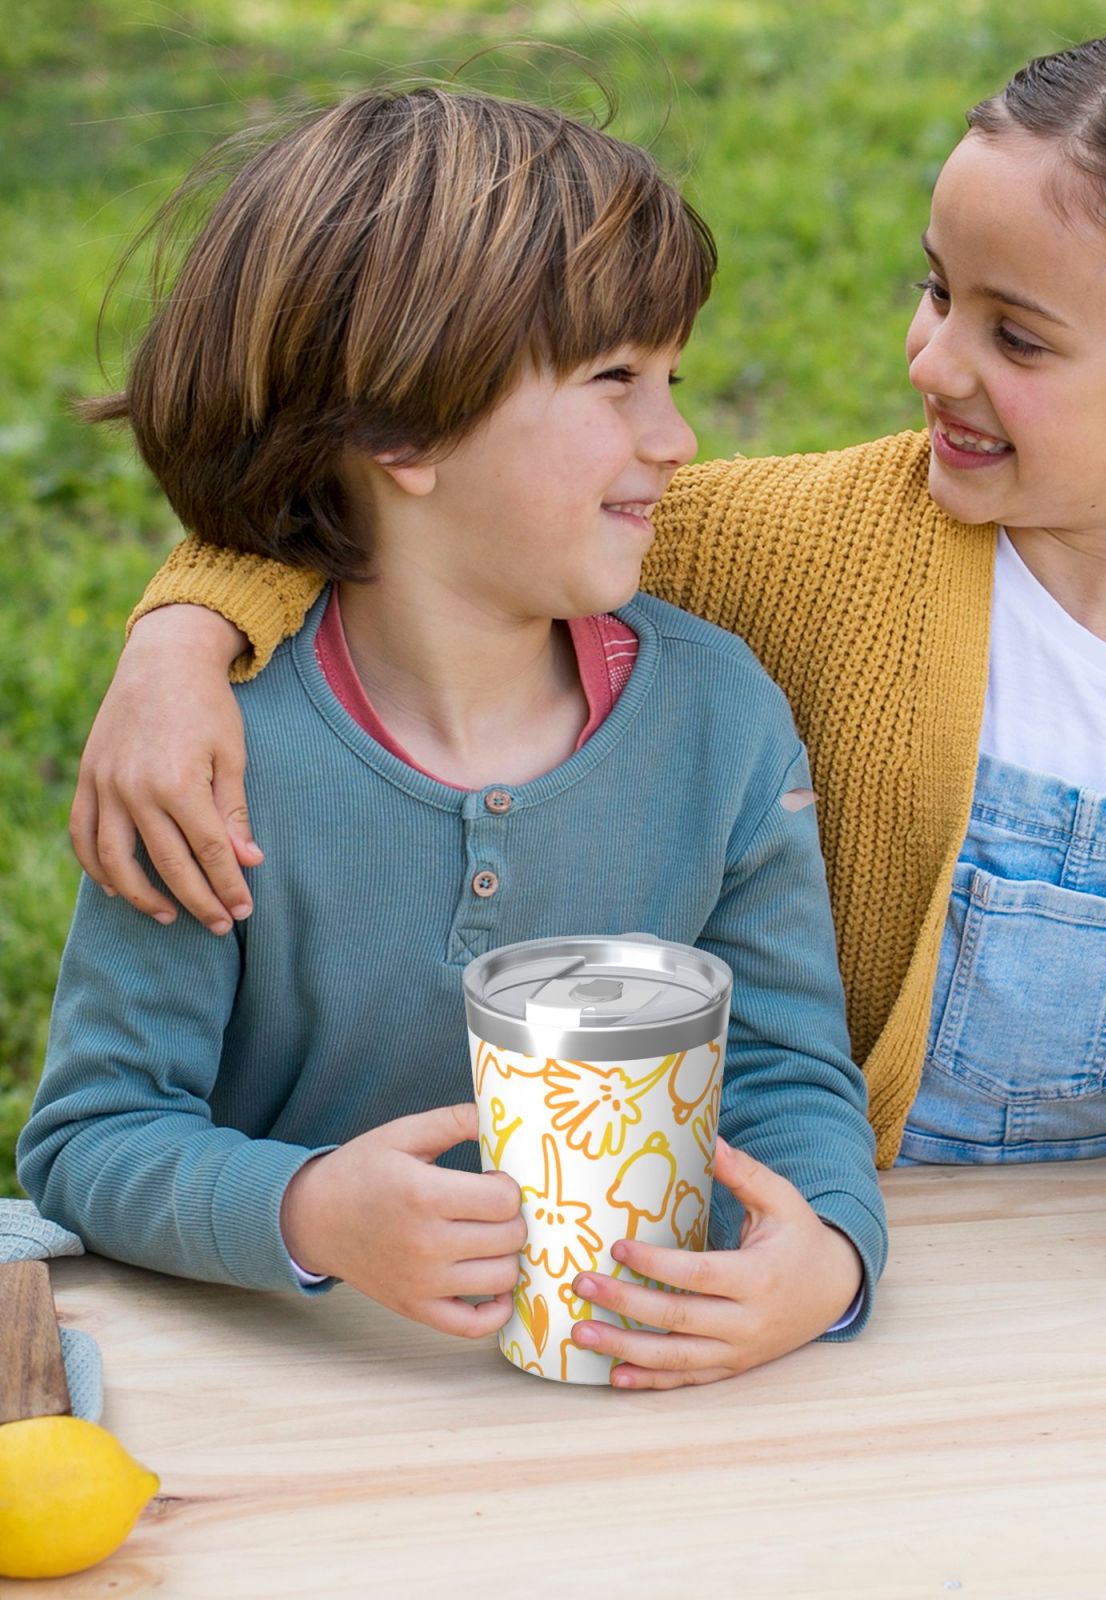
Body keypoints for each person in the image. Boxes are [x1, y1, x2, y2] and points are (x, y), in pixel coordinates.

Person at [68, 25, 1106, 1188]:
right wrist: (185, 635)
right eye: (937, 291)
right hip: (848, 1252)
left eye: (1018, 335)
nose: (934, 358)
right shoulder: (808, 546)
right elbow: (421, 505)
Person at [20, 86, 887, 1390]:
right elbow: (93, 1138)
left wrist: (826, 1256)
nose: (677, 438)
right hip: (305, 1401)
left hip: (641, 1397)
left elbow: (780, 1069)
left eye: (673, 379)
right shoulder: (208, 758)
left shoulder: (723, 720)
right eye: (614, 383)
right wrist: (312, 1211)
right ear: (398, 430)